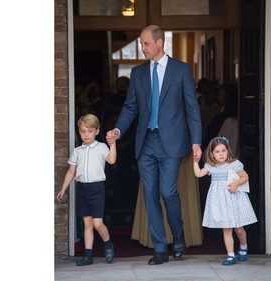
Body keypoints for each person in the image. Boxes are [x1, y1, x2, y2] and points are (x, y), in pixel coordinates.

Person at [106, 25, 202, 265]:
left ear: (160, 43)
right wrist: (118, 130)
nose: (143, 48)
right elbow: (130, 107)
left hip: (171, 142)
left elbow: (192, 108)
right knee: (149, 194)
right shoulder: (138, 74)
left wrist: (197, 141)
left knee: (168, 192)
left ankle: (178, 236)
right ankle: (160, 249)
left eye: (146, 43)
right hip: (145, 142)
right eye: (141, 43)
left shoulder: (181, 70)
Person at [57, 113, 117, 266]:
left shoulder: (101, 147)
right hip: (81, 189)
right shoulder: (78, 151)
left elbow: (112, 160)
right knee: (87, 223)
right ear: (79, 131)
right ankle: (88, 255)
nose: (86, 134)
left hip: (96, 189)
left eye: (90, 131)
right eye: (83, 131)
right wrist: (64, 188)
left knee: (97, 223)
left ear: (97, 131)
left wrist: (113, 144)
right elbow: (71, 171)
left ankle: (108, 243)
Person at [193, 137, 257, 266]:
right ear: (212, 154)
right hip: (221, 202)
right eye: (217, 151)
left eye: (223, 150)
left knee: (239, 229)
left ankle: (243, 247)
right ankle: (231, 255)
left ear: (228, 151)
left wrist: (236, 183)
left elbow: (245, 176)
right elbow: (199, 174)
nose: (221, 154)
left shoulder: (234, 164)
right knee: (227, 229)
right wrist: (195, 162)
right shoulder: (211, 166)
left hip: (234, 200)